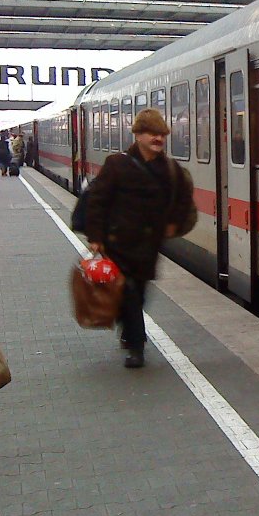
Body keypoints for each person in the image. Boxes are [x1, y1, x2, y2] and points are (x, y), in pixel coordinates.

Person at [84, 108, 197, 368]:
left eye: (161, 134)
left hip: (149, 245)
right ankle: (137, 347)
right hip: (118, 241)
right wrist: (96, 236)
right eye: (152, 134)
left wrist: (174, 223)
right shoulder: (117, 164)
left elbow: (182, 199)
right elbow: (98, 201)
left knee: (139, 294)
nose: (158, 139)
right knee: (130, 293)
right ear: (138, 135)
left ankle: (128, 330)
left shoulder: (170, 169)